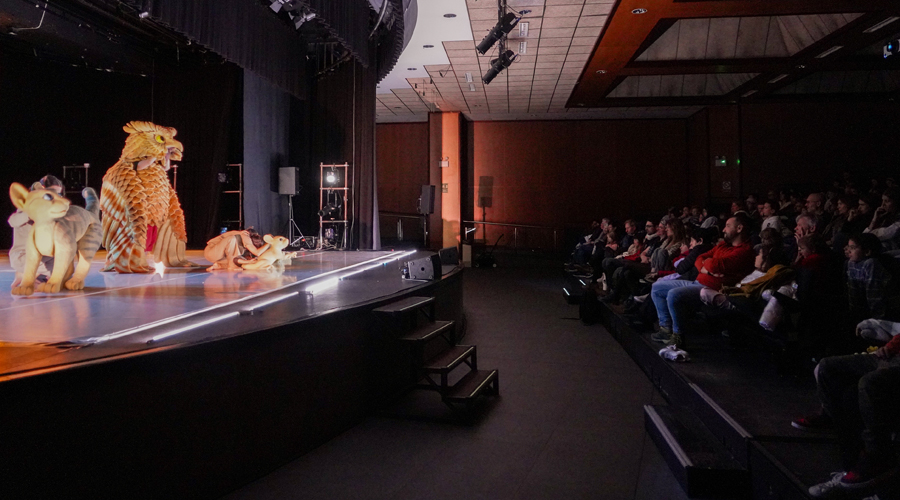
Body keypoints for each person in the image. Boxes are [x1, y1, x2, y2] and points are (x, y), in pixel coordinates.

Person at [649, 213, 757, 348]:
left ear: (739, 228)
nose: (723, 229)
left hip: (712, 289)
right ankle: (665, 329)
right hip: (698, 282)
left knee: (673, 294)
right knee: (657, 287)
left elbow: (712, 264)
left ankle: (678, 335)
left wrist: (708, 266)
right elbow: (700, 258)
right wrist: (707, 268)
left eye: (728, 226)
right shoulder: (723, 245)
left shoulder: (744, 251)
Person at [8, 174, 66, 288]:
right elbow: (12, 221)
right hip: (22, 256)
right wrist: (30, 213)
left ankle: (27, 274)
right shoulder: (30, 204)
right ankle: (25, 274)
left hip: (40, 256)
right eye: (53, 192)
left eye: (58, 193)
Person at [864, 188, 900, 254]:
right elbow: (865, 236)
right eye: (882, 201)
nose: (882, 205)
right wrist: (875, 219)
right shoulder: (885, 216)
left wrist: (872, 233)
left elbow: (885, 234)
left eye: (887, 201)